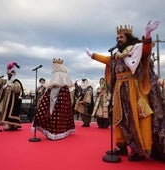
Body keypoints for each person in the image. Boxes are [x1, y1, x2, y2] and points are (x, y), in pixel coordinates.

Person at [86, 21, 160, 161]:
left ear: (128, 38)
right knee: (119, 119)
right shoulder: (117, 56)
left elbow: (146, 49)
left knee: (139, 118)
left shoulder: (136, 50)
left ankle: (140, 151)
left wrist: (148, 34)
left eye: (121, 37)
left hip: (135, 91)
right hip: (120, 91)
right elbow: (107, 60)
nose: (119, 40)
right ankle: (121, 146)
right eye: (117, 37)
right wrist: (92, 55)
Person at [32, 58, 75, 140]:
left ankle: (55, 133)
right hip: (64, 96)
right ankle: (61, 132)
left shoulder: (57, 74)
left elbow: (53, 86)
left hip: (57, 95)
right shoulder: (65, 74)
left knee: (54, 113)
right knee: (63, 115)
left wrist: (46, 97)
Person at [0, 62, 24, 130]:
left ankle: (12, 124)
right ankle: (4, 121)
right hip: (4, 100)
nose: (9, 75)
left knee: (7, 128)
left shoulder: (16, 81)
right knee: (0, 108)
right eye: (8, 73)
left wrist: (10, 85)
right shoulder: (5, 81)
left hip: (11, 103)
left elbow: (18, 88)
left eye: (11, 73)